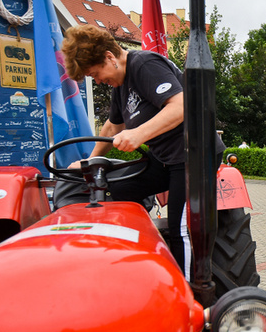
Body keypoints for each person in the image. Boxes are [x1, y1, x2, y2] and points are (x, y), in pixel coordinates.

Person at [59, 25, 223, 279]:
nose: (99, 80)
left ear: (109, 57)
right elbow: (113, 125)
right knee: (122, 188)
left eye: (96, 73)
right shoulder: (120, 85)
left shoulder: (144, 65)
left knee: (181, 228)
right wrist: (89, 161)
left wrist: (139, 134)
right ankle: (138, 254)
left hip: (192, 155)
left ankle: (193, 294)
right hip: (164, 157)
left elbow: (181, 106)